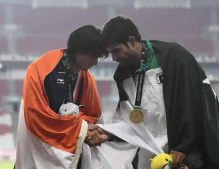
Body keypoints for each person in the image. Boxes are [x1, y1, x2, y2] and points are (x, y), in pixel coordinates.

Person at [86, 16, 219, 169]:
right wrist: (108, 132)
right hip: (149, 158)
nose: (114, 58)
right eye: (110, 53)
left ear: (131, 40)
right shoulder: (122, 75)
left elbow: (194, 104)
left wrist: (184, 147)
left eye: (116, 50)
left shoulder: (175, 57)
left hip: (183, 156)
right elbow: (131, 120)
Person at [15, 25, 107, 169]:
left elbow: (94, 115)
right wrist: (82, 129)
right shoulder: (40, 70)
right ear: (79, 51)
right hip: (41, 155)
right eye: (93, 56)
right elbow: (36, 116)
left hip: (75, 156)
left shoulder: (88, 80)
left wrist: (89, 130)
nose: (95, 62)